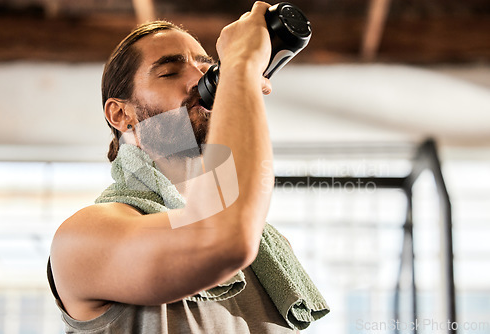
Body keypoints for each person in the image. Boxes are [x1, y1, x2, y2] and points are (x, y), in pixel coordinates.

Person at [48, 2, 327, 333]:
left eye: (206, 68)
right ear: (121, 115)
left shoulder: (269, 251)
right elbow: (222, 239)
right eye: (169, 72)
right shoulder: (83, 236)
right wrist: (241, 67)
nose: (200, 80)